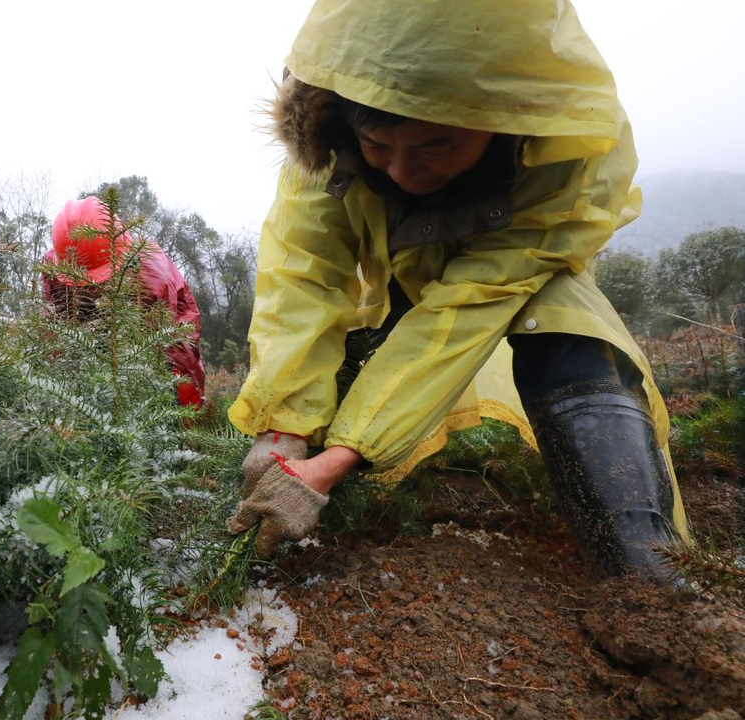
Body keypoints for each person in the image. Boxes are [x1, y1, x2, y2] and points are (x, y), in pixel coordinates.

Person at [226, 0, 690, 580]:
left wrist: (336, 461)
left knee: (566, 326)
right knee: (364, 345)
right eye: (377, 144)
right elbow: (302, 277)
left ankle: (645, 572)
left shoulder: (568, 155)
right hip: (399, 266)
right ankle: (345, 479)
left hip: (516, 279)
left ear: (497, 120)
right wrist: (284, 429)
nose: (402, 173)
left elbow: (467, 306)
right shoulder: (326, 140)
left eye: (435, 145)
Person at [41, 196, 207, 408]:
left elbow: (160, 346)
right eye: (80, 282)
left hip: (164, 332)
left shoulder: (152, 276)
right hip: (91, 338)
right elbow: (54, 325)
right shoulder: (54, 266)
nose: (89, 288)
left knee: (176, 387)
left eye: (97, 280)